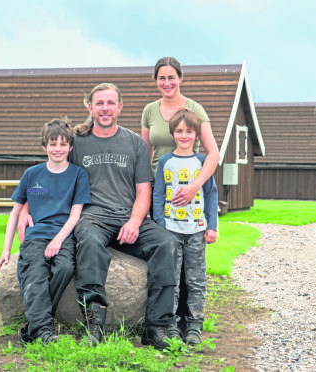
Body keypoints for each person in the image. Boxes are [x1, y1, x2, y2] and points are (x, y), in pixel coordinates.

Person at [18, 83, 179, 350]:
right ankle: (93, 324)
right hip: (92, 217)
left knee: (166, 244)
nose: (105, 108)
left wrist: (135, 222)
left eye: (110, 103)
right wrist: (24, 209)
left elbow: (143, 192)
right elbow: (48, 175)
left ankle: (157, 327)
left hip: (128, 215)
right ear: (90, 107)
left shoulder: (135, 143)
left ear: (120, 107)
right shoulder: (77, 142)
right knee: (90, 244)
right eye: (100, 103)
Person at [141, 56, 220, 332]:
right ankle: (167, 320)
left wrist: (194, 186)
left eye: (171, 77)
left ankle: (192, 323)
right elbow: (145, 153)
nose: (166, 82)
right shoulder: (150, 110)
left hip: (192, 191)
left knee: (194, 268)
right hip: (160, 187)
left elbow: (214, 154)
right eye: (161, 77)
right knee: (168, 262)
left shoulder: (194, 109)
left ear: (180, 78)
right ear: (156, 81)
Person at [0, 118, 91, 345]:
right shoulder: (32, 174)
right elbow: (14, 213)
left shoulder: (78, 175)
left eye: (62, 144)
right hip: (36, 235)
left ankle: (32, 329)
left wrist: (58, 240)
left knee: (65, 267)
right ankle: (45, 332)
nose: (57, 149)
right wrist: (6, 249)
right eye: (52, 144)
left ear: (70, 147)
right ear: (44, 147)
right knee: (36, 274)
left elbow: (75, 215)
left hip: (64, 235)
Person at [153, 109, 218, 345]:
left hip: (197, 230)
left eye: (189, 131)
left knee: (196, 279)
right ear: (172, 134)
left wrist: (212, 226)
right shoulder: (165, 162)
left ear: (197, 135)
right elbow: (158, 195)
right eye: (179, 131)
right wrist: (160, 226)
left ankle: (194, 326)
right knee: (172, 279)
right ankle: (171, 325)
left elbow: (211, 194)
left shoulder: (203, 163)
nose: (184, 135)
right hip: (171, 229)